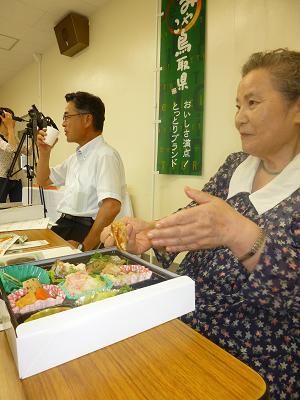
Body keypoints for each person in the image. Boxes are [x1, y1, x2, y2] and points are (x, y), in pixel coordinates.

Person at [101, 49, 300, 399]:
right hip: (182, 326)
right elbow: (189, 221)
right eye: (237, 105)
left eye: (252, 103)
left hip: (252, 361)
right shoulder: (236, 164)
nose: (239, 118)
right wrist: (148, 233)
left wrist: (239, 234)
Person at [36, 91, 126, 251]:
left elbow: (111, 206)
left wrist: (84, 248)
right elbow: (43, 181)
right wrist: (44, 152)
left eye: (67, 117)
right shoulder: (76, 157)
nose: (63, 124)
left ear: (87, 119)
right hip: (65, 225)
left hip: (84, 231)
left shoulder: (105, 155)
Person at [0, 107, 23, 202]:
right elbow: (11, 148)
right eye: (11, 118)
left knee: (17, 206)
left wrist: (37, 141)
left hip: (16, 177)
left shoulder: (13, 137)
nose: (13, 121)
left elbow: (27, 151)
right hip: (1, 178)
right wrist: (9, 127)